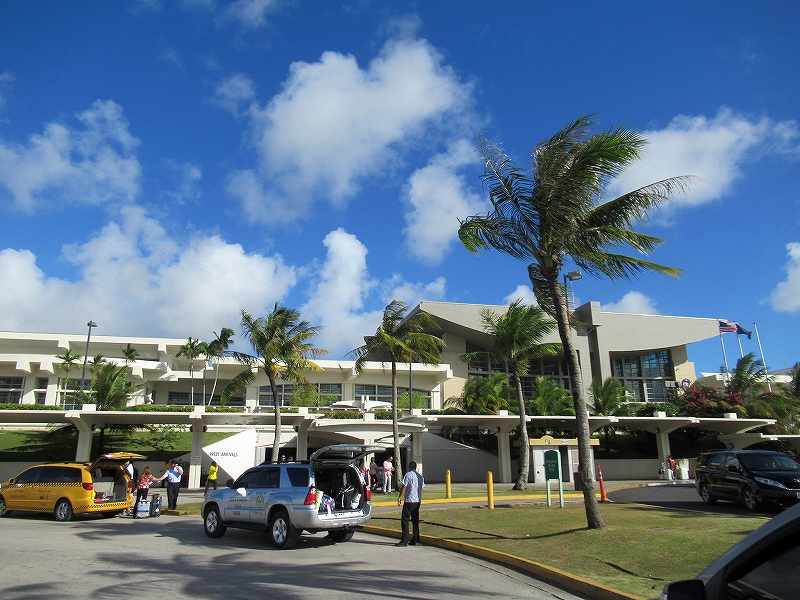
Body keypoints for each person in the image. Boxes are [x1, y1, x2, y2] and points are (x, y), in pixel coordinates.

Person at [396, 461, 424, 547]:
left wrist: (400, 496)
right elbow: (422, 488)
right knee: (415, 520)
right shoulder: (420, 476)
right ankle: (415, 538)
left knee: (405, 520)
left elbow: (404, 486)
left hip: (409, 500)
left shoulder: (408, 475)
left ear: (409, 467)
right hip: (417, 500)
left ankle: (405, 540)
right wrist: (420, 498)